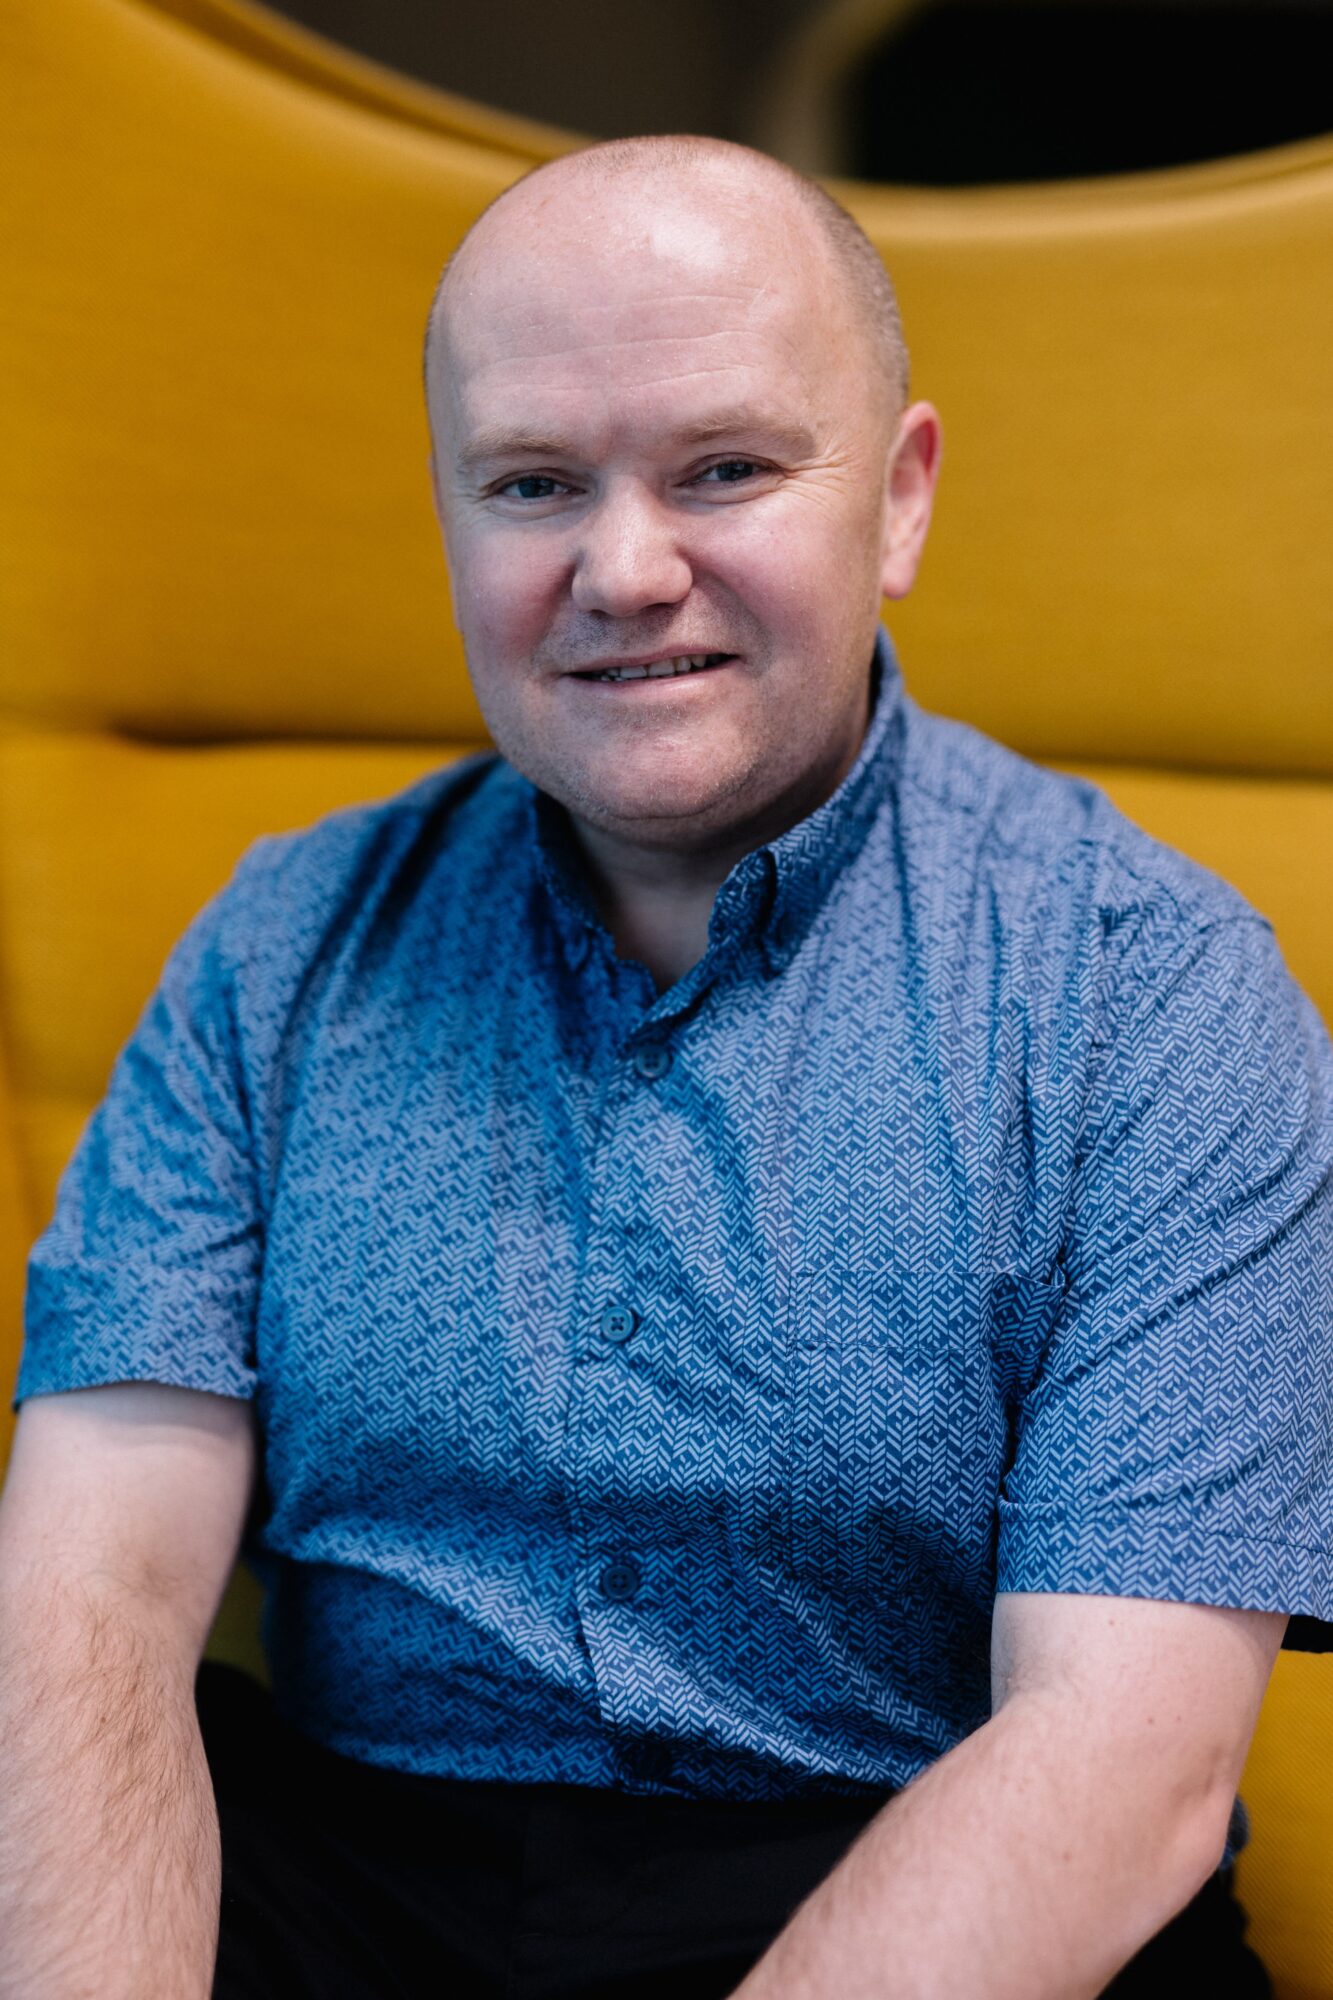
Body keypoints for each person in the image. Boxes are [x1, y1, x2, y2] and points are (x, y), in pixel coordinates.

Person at [1, 133, 1330, 2000]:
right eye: (533, 484)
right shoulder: (277, 947)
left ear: (899, 501)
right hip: (346, 1877)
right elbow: (94, 1591)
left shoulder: (1157, 992)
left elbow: (1123, 1760)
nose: (624, 571)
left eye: (724, 468)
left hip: (929, 1882)